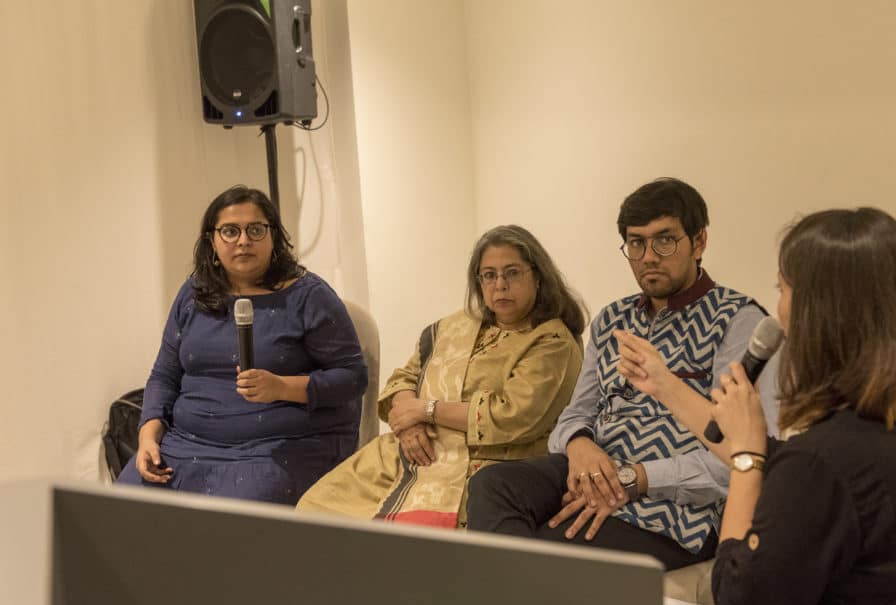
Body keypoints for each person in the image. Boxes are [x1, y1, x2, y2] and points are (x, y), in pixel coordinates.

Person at [622, 208, 896, 605]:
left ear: (820, 313)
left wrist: (744, 463)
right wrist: (666, 386)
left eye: (783, 288)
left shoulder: (827, 461)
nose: (777, 307)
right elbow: (782, 467)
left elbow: (737, 597)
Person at [467, 178, 778, 570]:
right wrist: (581, 447)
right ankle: (521, 599)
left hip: (675, 503)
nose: (649, 256)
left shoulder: (738, 321)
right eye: (636, 243)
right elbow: (573, 417)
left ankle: (518, 603)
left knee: (547, 547)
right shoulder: (612, 320)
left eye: (664, 240)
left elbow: (739, 457)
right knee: (490, 486)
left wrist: (634, 478)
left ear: (699, 243)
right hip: (596, 467)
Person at [296, 225, 586, 528]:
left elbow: (512, 416)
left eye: (512, 272)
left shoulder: (551, 342)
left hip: (484, 462)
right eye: (489, 275)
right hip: (408, 451)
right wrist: (410, 424)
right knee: (315, 510)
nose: (500, 284)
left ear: (537, 277)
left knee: (400, 540)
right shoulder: (454, 327)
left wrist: (426, 410)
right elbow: (404, 379)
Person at [117, 186, 368, 504]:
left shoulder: (309, 296)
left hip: (279, 448)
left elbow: (353, 378)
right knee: (121, 508)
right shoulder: (193, 294)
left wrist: (281, 387)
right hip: (186, 445)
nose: (244, 240)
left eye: (256, 229)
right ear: (212, 240)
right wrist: (148, 435)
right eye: (230, 231)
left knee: (232, 525)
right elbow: (164, 375)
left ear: (273, 236)